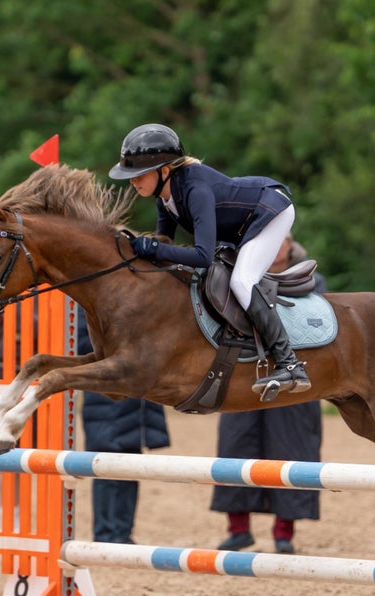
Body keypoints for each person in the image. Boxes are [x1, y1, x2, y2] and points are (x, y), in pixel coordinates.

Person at [108, 122, 310, 402]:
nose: (133, 181)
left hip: (271, 210)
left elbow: (202, 257)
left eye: (139, 174)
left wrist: (153, 247)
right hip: (245, 224)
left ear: (165, 170)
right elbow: (162, 250)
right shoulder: (164, 200)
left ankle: (290, 364)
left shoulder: (195, 191)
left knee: (242, 281)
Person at [210, 235, 326, 554]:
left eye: (283, 240)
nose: (277, 247)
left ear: (290, 243)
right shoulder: (240, 276)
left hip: (294, 379)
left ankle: (284, 534)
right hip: (247, 373)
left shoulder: (311, 281)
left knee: (292, 451)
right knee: (236, 446)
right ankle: (238, 530)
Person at [77, 313, 170, 543]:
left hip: (134, 400)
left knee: (131, 468)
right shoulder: (88, 304)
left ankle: (123, 533)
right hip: (107, 397)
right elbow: (83, 345)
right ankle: (106, 534)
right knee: (106, 470)